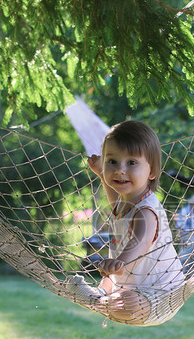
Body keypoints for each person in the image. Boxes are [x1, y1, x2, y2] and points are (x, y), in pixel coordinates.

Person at [66, 120, 185, 325]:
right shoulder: (126, 202)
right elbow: (115, 201)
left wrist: (121, 261)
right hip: (131, 284)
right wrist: (102, 175)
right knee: (114, 288)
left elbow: (141, 240)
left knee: (127, 305)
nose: (120, 170)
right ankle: (102, 294)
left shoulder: (146, 211)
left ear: (152, 171)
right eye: (112, 162)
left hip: (160, 294)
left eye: (131, 163)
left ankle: (95, 299)